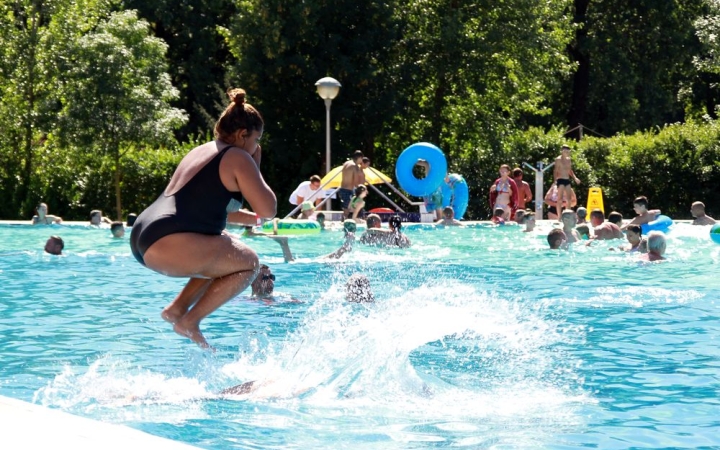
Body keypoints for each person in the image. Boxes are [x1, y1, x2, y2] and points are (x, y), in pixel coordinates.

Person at [130, 87, 276, 348]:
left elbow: (223, 211)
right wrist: (255, 164)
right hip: (167, 241)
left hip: (146, 236)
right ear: (243, 135)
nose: (257, 146)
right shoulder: (237, 156)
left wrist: (254, 221)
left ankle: (177, 309)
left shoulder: (203, 150)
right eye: (256, 139)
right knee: (249, 262)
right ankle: (189, 320)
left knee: (225, 247)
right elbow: (268, 208)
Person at [553, 144, 581, 221]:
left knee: (569, 199)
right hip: (560, 179)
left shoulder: (569, 159)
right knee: (560, 199)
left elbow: (570, 170)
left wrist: (575, 178)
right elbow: (555, 170)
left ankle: (567, 216)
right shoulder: (558, 159)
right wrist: (555, 181)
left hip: (567, 179)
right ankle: (559, 217)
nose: (566, 153)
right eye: (565, 151)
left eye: (568, 151)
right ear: (562, 151)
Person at [339, 150, 365, 217]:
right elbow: (356, 183)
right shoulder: (355, 167)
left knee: (345, 209)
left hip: (341, 189)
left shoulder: (346, 163)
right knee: (349, 210)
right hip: (348, 190)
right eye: (362, 159)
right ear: (359, 158)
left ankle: (344, 221)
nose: (361, 161)